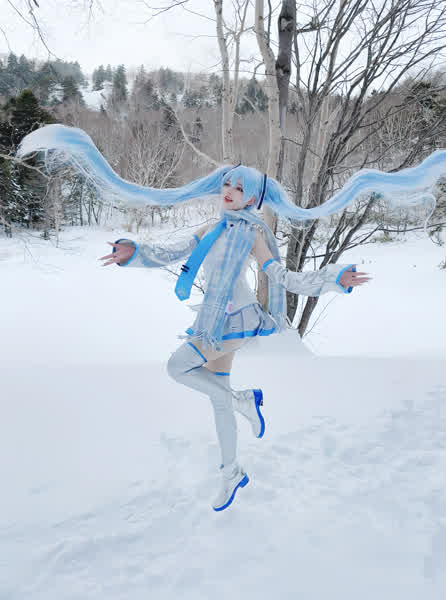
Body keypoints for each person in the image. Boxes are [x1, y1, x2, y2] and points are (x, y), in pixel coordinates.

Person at [100, 165, 370, 511]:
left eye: (240, 188)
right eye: (226, 183)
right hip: (213, 320)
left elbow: (282, 276)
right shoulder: (211, 228)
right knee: (218, 399)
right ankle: (232, 472)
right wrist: (134, 252)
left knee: (176, 367)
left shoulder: (252, 233)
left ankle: (243, 401)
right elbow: (171, 253)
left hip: (233, 322)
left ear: (253, 198)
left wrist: (332, 279)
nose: (229, 191)